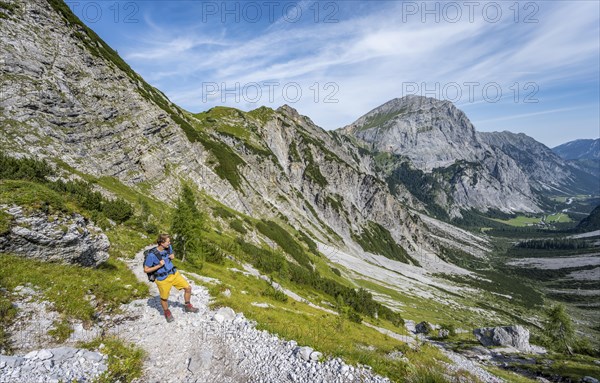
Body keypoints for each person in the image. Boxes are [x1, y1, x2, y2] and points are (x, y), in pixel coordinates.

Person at [144, 233, 199, 322]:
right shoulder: (152, 255)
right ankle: (167, 312)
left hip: (174, 274)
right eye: (168, 242)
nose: (169, 244)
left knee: (188, 288)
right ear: (161, 243)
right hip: (162, 279)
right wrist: (158, 265)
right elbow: (146, 269)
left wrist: (172, 256)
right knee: (164, 298)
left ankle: (188, 306)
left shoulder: (168, 248)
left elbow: (170, 255)